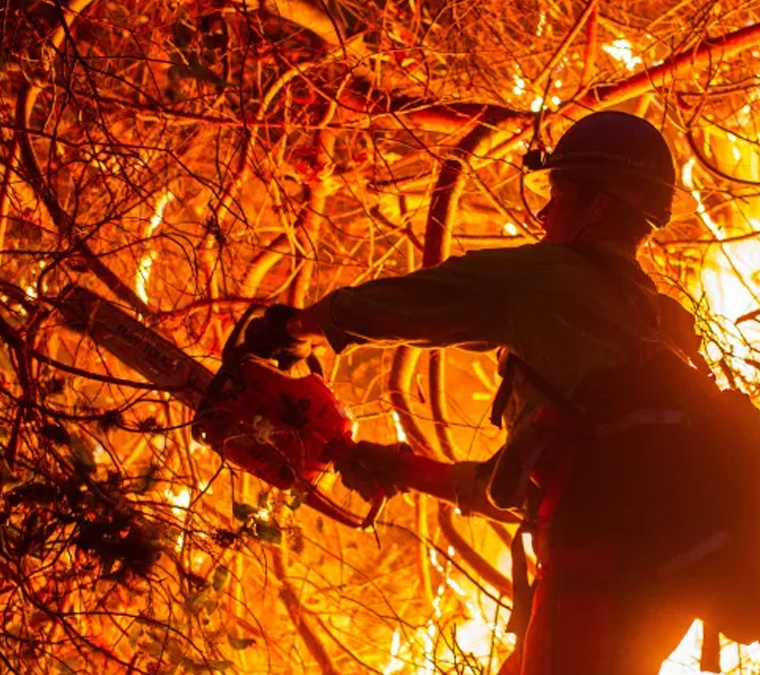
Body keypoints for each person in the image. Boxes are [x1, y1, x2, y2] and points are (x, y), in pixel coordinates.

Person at [260, 111, 729, 675]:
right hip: (653, 592)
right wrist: (397, 466)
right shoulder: (654, 322)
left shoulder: (543, 278)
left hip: (593, 579)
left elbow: (411, 301)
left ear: (598, 206)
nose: (544, 211)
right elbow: (522, 491)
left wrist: (296, 330)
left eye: (557, 193)